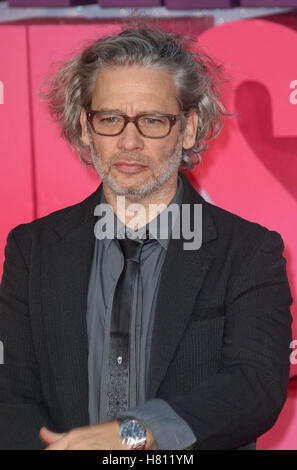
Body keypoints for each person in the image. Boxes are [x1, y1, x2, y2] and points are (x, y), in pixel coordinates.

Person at [0, 27, 293, 451]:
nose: (129, 141)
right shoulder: (33, 250)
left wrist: (135, 433)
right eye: (111, 119)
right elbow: (10, 392)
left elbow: (254, 386)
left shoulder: (248, 252)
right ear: (86, 127)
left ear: (188, 129)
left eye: (153, 121)